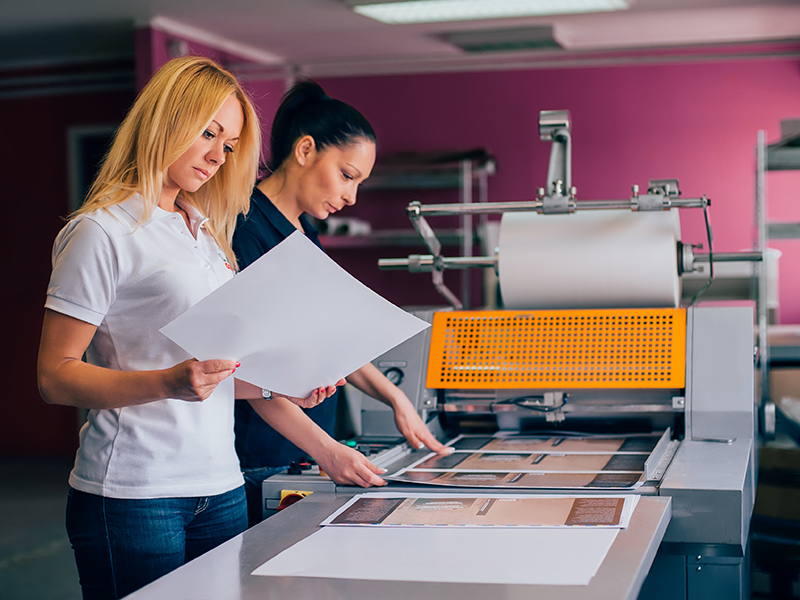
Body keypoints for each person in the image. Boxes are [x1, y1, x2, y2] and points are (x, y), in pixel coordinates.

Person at [36, 56, 344, 600]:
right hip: (133, 494)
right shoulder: (101, 231)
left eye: (227, 145)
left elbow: (212, 374)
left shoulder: (205, 236)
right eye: (208, 133)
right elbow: (55, 377)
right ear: (165, 119)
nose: (216, 155)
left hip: (220, 487)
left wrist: (280, 383)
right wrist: (166, 383)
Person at [232, 80, 449, 526]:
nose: (351, 196)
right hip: (261, 458)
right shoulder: (246, 231)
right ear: (306, 150)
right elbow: (247, 370)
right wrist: (326, 451)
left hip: (307, 452)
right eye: (347, 175)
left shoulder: (306, 234)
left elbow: (330, 340)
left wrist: (397, 400)